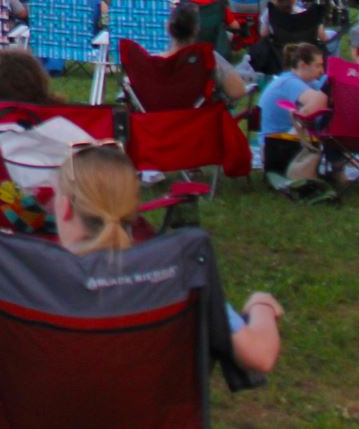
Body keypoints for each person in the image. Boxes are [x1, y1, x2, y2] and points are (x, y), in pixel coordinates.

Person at [53, 143, 284, 374]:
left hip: (54, 409)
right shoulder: (172, 276)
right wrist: (261, 304)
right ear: (132, 209)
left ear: (65, 207)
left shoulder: (34, 282)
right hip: (153, 409)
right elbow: (260, 356)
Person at [256, 42, 328, 189]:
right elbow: (319, 101)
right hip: (277, 146)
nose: (322, 71)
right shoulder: (289, 83)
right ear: (302, 65)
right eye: (318, 66)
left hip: (284, 142)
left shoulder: (306, 82)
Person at [167, 0, 247, 102]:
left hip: (162, 116)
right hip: (200, 116)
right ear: (197, 29)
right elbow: (237, 92)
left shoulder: (155, 62)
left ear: (168, 28)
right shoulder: (209, 58)